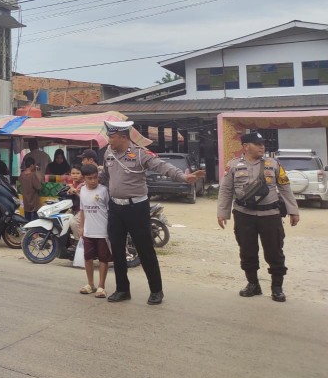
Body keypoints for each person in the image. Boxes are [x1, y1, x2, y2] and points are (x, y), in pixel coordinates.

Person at [100, 121, 204, 305]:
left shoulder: (140, 154)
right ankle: (122, 289)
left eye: (112, 136)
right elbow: (106, 177)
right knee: (116, 249)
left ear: (123, 137)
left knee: (145, 249)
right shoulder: (108, 153)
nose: (109, 140)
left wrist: (184, 177)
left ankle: (156, 290)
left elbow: (162, 166)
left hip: (136, 208)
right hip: (116, 207)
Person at [217, 132, 299, 302]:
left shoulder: (274, 164)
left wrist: (293, 210)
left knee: (274, 251)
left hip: (270, 215)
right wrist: (222, 213)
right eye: (257, 143)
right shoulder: (233, 166)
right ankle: (253, 284)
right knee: (247, 251)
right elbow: (226, 190)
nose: (262, 146)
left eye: (263, 143)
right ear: (246, 146)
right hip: (244, 215)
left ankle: (277, 287)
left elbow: (285, 187)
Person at [78, 163, 111, 298]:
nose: (93, 181)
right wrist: (81, 227)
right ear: (84, 178)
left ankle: (101, 286)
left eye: (95, 178)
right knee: (88, 258)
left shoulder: (103, 191)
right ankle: (90, 284)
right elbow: (82, 210)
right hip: (88, 231)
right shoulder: (83, 191)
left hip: (102, 231)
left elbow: (110, 211)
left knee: (103, 259)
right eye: (89, 178)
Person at [19, 156, 42, 222]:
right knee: (35, 221)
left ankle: (27, 231)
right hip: (33, 201)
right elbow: (39, 187)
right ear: (32, 165)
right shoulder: (32, 175)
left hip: (26, 200)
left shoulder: (22, 174)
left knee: (27, 219)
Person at [65, 165, 84, 239]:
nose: (75, 175)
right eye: (73, 173)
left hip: (82, 210)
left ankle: (78, 242)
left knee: (74, 223)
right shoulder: (71, 183)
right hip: (73, 209)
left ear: (82, 174)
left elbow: (84, 199)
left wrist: (75, 191)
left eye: (77, 173)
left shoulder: (84, 184)